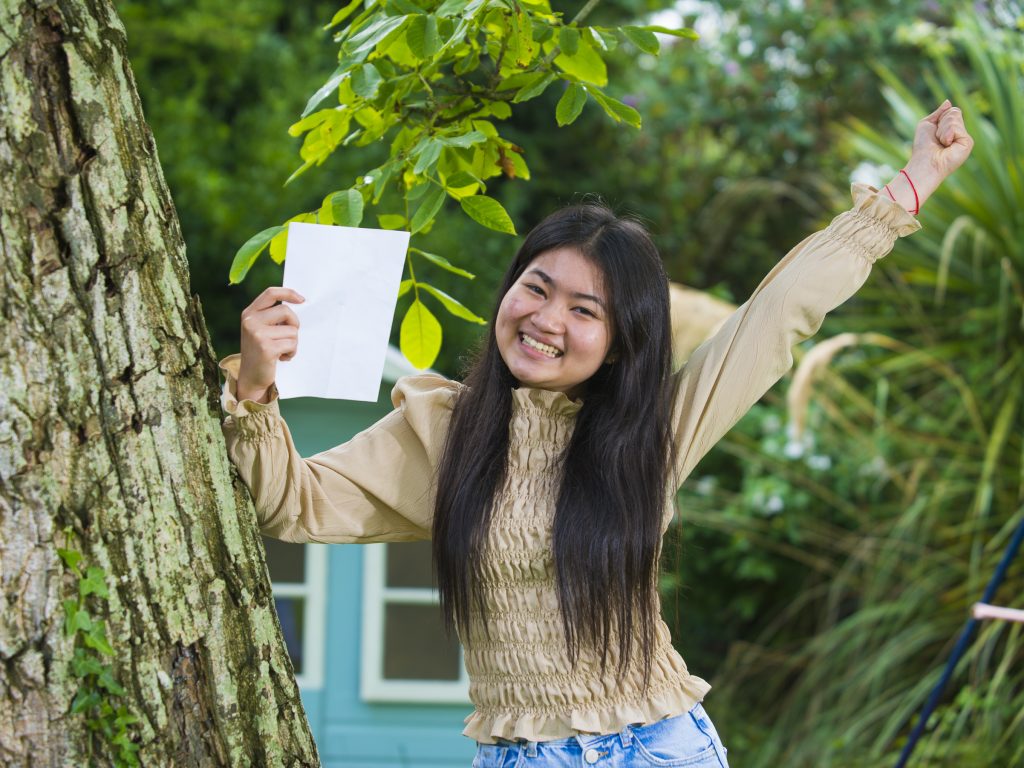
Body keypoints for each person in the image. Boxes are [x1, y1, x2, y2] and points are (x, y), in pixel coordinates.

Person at [219, 101, 973, 767]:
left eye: (585, 310)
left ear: (618, 341)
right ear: (508, 292)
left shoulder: (654, 432)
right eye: (536, 289)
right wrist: (255, 385)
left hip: (661, 745)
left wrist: (912, 183)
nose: (547, 321)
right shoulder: (441, 430)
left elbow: (778, 317)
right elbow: (292, 503)